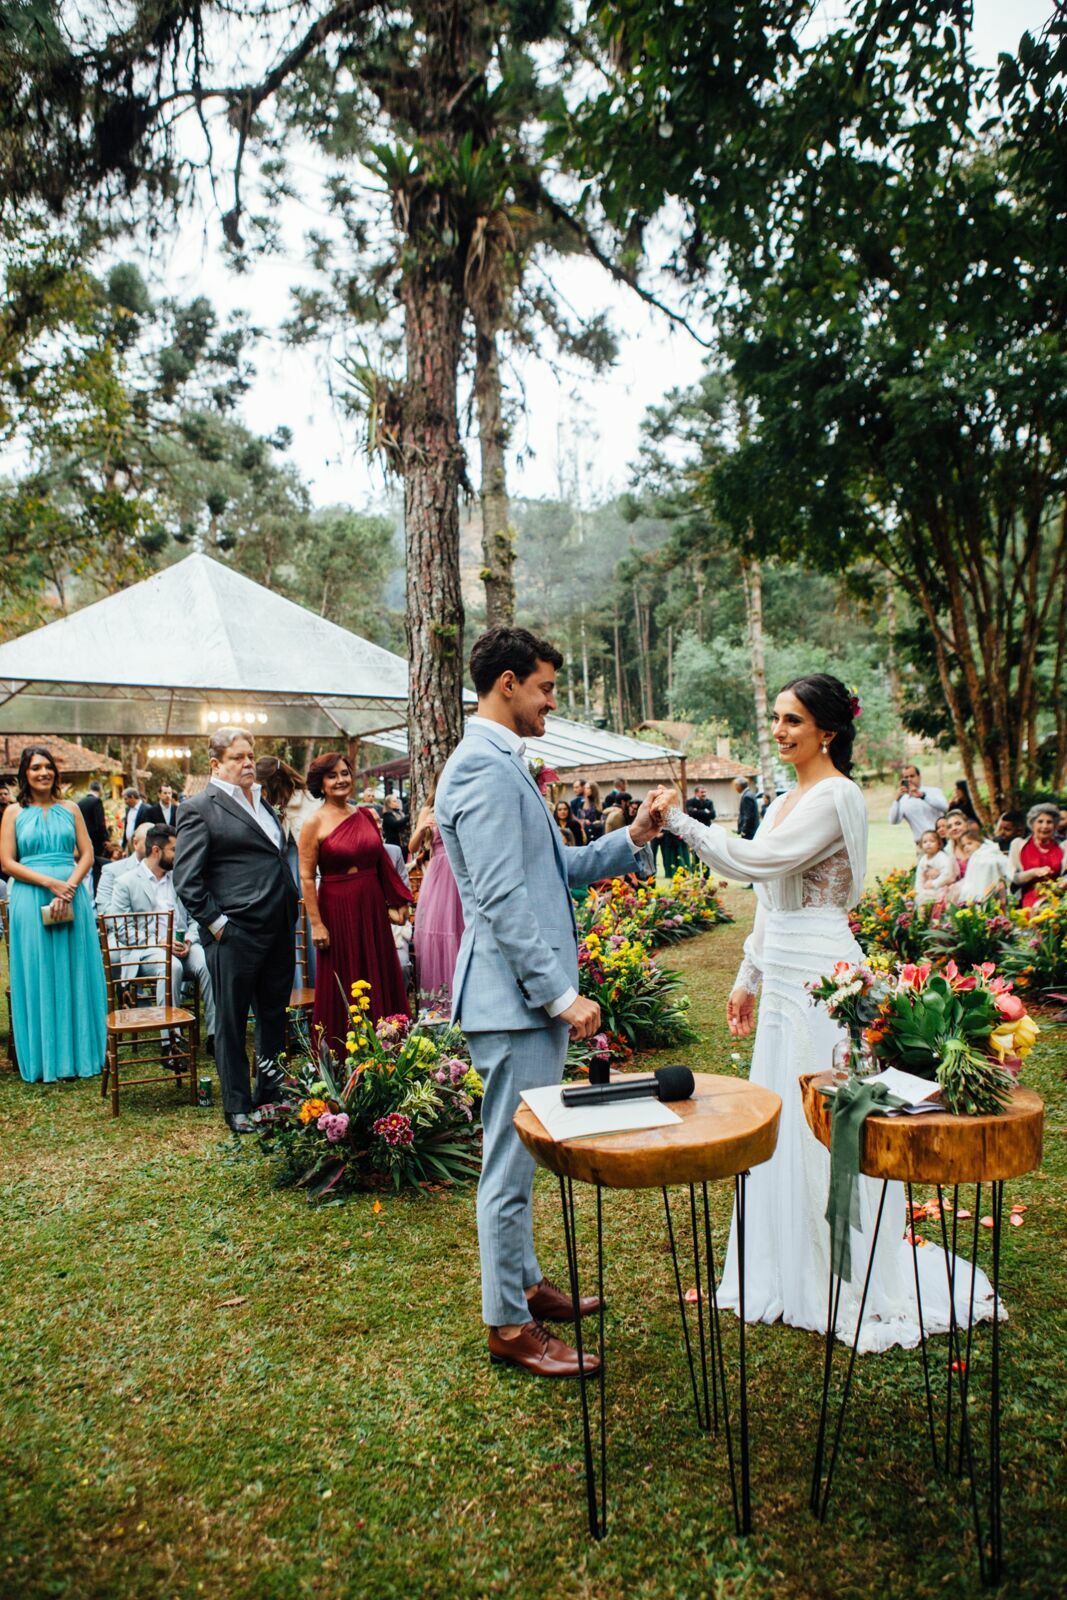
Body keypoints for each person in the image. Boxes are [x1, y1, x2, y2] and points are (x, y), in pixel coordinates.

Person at [651, 673, 998, 1351]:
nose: (780, 731)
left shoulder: (836, 795)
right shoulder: (784, 798)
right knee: (778, 1113)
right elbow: (773, 895)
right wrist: (747, 973)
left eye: (793, 722)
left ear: (828, 732)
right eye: (778, 719)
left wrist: (678, 822)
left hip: (822, 975)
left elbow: (755, 861)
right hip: (779, 968)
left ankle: (843, 1268)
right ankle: (785, 1262)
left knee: (826, 1122)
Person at [436, 625, 664, 1379]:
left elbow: (550, 867)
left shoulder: (503, 763)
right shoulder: (482, 768)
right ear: (507, 684)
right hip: (513, 1004)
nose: (550, 702)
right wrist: (560, 995)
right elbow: (501, 900)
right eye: (544, 688)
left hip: (515, 1001)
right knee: (508, 1166)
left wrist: (628, 837)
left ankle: (526, 1285)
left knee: (523, 1154)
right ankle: (507, 1324)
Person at [173, 727, 297, 1134]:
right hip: (235, 932)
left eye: (251, 755)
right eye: (238, 757)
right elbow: (187, 879)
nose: (248, 762)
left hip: (278, 927)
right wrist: (218, 925)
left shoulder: (262, 802)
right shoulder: (199, 807)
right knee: (230, 1020)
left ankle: (270, 1094)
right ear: (215, 764)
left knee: (273, 1016)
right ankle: (238, 1105)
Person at [0, 745, 106, 1083]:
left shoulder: (71, 808)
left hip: (71, 893)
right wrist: (50, 883)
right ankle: (47, 1058)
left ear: (55, 774)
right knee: (39, 970)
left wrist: (69, 887)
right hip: (30, 898)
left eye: (47, 767)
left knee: (75, 970)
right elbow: (7, 862)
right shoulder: (13, 813)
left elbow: (88, 854)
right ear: (25, 775)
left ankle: (80, 1054)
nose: (43, 773)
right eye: (35, 768)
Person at [299, 751, 412, 1055]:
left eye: (345, 773)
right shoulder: (313, 823)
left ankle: (388, 1049)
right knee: (345, 976)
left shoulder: (363, 815)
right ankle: (342, 1053)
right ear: (320, 783)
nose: (340, 780)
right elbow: (307, 877)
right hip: (337, 908)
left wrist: (397, 899)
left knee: (379, 971)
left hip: (371, 905)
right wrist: (317, 924)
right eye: (332, 775)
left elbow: (381, 862)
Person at [111, 823, 215, 1056]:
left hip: (183, 946)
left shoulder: (179, 879)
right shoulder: (126, 882)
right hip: (147, 950)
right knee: (171, 967)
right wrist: (162, 943)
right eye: (174, 849)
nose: (178, 854)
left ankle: (215, 1037)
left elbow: (195, 917)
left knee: (209, 961)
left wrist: (188, 940)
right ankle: (171, 1043)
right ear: (156, 850)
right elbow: (120, 929)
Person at [409, 775, 465, 1007]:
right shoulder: (428, 810)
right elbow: (412, 848)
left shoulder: (464, 801)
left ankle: (463, 998)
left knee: (460, 932)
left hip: (462, 873)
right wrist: (423, 828)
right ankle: (441, 1004)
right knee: (440, 933)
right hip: (439, 874)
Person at [1008, 803, 1064, 910]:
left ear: (1055, 826)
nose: (1045, 826)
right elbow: (1014, 878)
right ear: (1032, 824)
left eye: (1049, 822)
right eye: (1040, 821)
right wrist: (1033, 872)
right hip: (1029, 901)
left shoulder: (1063, 846)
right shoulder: (1018, 845)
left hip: (1058, 899)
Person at [96, 825, 150, 914]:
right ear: (135, 843)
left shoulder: (166, 872)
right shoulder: (112, 870)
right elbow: (105, 911)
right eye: (148, 843)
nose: (154, 848)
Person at [888, 764, 948, 843]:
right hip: (922, 843)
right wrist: (896, 800)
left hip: (942, 839)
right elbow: (893, 821)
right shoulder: (903, 800)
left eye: (912, 776)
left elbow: (946, 807)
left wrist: (923, 796)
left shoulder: (934, 791)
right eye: (906, 777)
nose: (909, 779)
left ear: (919, 777)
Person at [953, 822, 1011, 904]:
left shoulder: (988, 852)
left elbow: (1002, 863)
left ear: (979, 842)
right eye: (963, 845)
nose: (966, 847)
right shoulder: (974, 858)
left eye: (969, 843)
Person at [77, 779, 110, 890]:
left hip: (81, 840)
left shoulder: (80, 803)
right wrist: (106, 838)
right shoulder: (97, 801)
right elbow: (100, 823)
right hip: (95, 841)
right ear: (99, 790)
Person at [913, 828, 958, 905]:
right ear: (921, 845)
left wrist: (933, 883)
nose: (928, 844)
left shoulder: (942, 857)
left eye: (932, 841)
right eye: (925, 842)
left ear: (939, 844)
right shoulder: (923, 859)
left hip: (941, 887)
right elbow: (919, 876)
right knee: (919, 898)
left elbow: (947, 874)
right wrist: (918, 889)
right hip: (927, 888)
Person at [734, 776, 760, 841]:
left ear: (739, 786)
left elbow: (748, 816)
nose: (735, 788)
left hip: (749, 832)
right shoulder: (749, 794)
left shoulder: (747, 796)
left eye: (736, 786)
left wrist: (744, 830)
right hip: (752, 830)